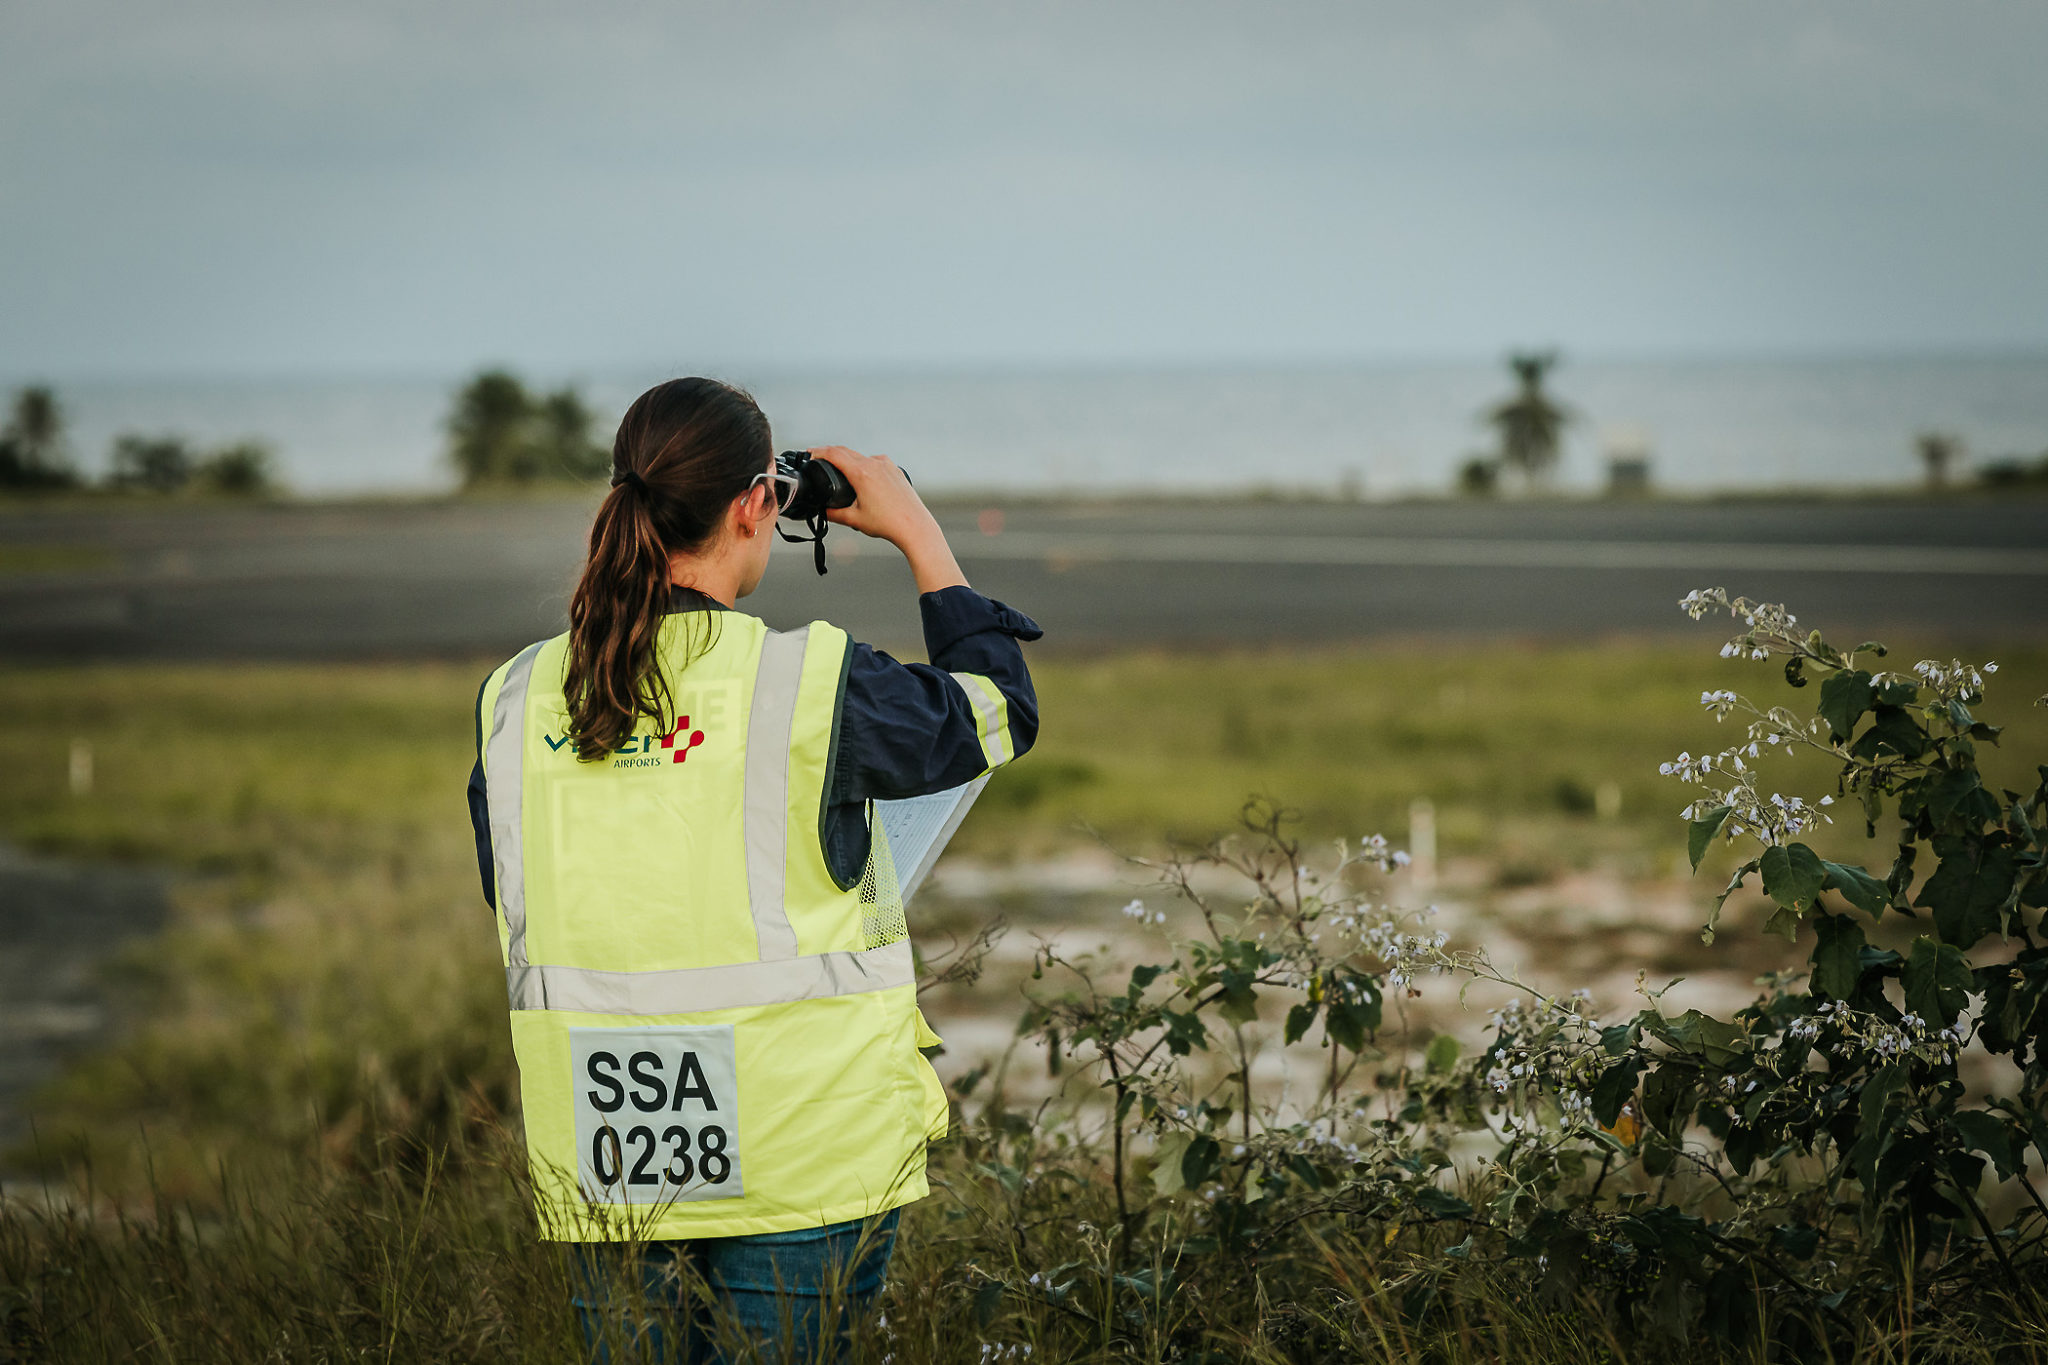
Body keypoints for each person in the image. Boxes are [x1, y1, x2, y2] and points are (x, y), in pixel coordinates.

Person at [464, 377, 1040, 1362]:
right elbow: (993, 711)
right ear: (755, 503)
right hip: (799, 1149)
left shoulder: (518, 696)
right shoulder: (805, 679)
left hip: (614, 1144)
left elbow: (517, 889)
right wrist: (915, 532)